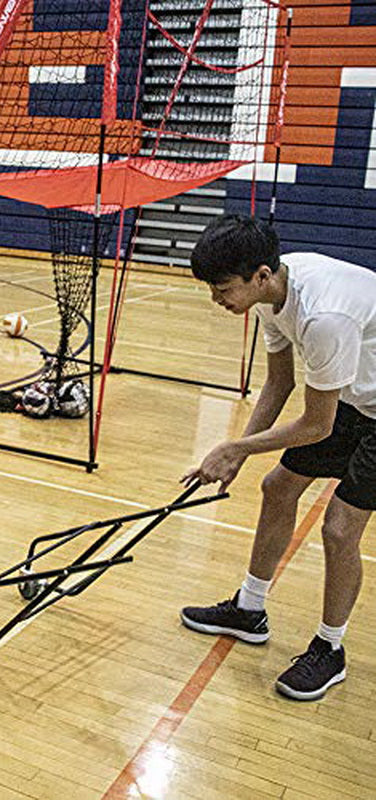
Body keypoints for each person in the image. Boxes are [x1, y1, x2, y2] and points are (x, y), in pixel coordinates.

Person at [180, 214, 376, 701]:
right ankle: (250, 609)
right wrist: (238, 459)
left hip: (361, 405)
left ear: (260, 276)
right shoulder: (273, 295)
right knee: (277, 486)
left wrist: (234, 447)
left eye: (223, 288)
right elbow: (278, 384)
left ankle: (330, 650)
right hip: (359, 398)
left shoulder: (324, 318)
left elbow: (317, 425)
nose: (217, 300)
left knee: (339, 526)